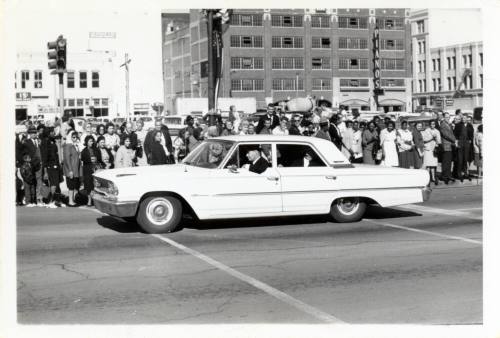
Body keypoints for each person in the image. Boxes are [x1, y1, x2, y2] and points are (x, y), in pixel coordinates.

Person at [41, 127, 64, 208]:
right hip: (50, 166)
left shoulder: (53, 140)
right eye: (52, 132)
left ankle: (56, 200)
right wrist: (45, 171)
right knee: (53, 184)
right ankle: (51, 201)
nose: (53, 133)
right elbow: (44, 157)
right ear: (48, 133)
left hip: (56, 165)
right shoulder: (45, 142)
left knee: (56, 184)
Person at [23, 126, 44, 206]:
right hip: (31, 165)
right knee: (30, 183)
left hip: (39, 164)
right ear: (29, 134)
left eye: (35, 132)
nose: (34, 134)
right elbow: (24, 153)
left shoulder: (39, 141)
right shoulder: (26, 142)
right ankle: (30, 200)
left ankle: (39, 199)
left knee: (39, 182)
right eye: (32, 133)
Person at [63, 131, 81, 206]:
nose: (75, 139)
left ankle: (72, 200)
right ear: (70, 137)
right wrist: (70, 170)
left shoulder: (76, 146)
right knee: (71, 186)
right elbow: (67, 158)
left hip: (76, 169)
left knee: (73, 185)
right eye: (73, 137)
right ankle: (70, 201)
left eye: (76, 137)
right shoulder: (68, 146)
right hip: (71, 169)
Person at [438, 112, 457, 184]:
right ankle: (444, 176)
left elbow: (451, 133)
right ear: (443, 117)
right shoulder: (443, 125)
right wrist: (455, 140)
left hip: (450, 146)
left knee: (449, 162)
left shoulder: (448, 124)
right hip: (446, 146)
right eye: (446, 117)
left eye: (449, 117)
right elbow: (446, 135)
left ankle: (448, 175)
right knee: (445, 162)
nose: (448, 118)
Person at [421, 120, 442, 185]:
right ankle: (428, 178)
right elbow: (424, 139)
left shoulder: (437, 131)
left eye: (433, 124)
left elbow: (439, 141)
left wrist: (436, 139)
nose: (432, 125)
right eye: (431, 124)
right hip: (427, 149)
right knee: (428, 165)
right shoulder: (426, 131)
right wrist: (431, 137)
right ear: (429, 124)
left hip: (434, 149)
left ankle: (433, 178)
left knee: (433, 165)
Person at [80, 135, 99, 206]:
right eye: (90, 141)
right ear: (86, 142)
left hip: (95, 169)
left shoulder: (96, 149)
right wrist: (89, 160)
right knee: (88, 186)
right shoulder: (84, 151)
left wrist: (96, 159)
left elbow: (99, 158)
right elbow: (83, 159)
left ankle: (95, 201)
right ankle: (89, 200)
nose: (92, 142)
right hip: (87, 169)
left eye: (92, 141)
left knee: (95, 186)